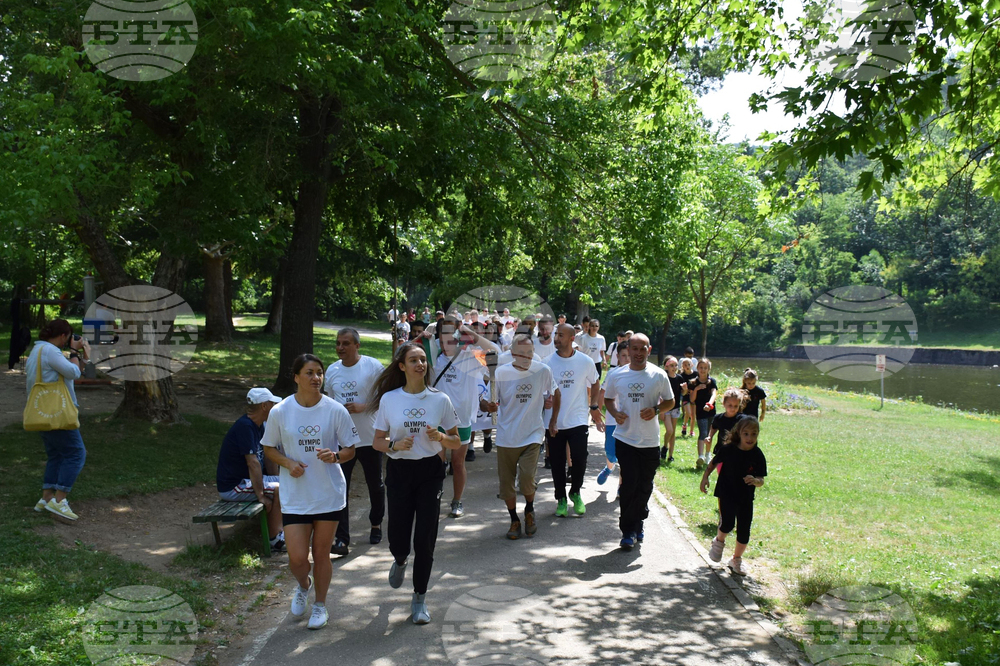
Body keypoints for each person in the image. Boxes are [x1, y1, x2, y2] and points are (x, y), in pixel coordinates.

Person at [263, 354, 359, 630]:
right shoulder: (280, 411)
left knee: (321, 554)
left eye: (319, 373)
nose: (316, 378)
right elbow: (269, 448)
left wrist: (336, 456)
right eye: (309, 373)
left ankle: (320, 605)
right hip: (296, 495)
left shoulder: (335, 409)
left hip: (328, 492)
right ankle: (304, 585)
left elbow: (351, 448)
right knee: (296, 558)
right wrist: (288, 463)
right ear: (296, 377)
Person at [370, 342, 462, 625]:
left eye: (423, 360)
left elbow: (457, 440)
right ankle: (399, 559)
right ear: (402, 366)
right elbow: (377, 442)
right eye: (414, 360)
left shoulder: (439, 399)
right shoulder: (389, 400)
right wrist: (394, 445)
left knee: (425, 538)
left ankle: (419, 598)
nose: (420, 364)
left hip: (429, 472)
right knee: (398, 536)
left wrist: (442, 438)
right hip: (399, 470)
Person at [479, 334, 558, 539]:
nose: (526, 357)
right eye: (521, 353)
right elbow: (485, 401)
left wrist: (551, 413)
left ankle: (529, 510)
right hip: (507, 436)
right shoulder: (502, 374)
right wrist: (488, 405)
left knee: (526, 480)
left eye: (530, 353)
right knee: (506, 485)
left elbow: (554, 392)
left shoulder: (542, 370)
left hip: (532, 434)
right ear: (512, 354)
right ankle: (514, 519)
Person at [603, 334, 674, 550]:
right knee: (629, 486)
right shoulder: (617, 374)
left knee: (645, 486)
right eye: (634, 348)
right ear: (629, 349)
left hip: (650, 441)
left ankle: (639, 520)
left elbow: (670, 402)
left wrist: (655, 410)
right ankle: (628, 531)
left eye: (642, 348)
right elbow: (608, 399)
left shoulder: (658, 375)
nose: (638, 353)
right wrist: (615, 412)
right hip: (626, 438)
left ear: (649, 349)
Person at [324, 329, 386, 556]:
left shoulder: (372, 366)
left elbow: (385, 397)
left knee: (375, 484)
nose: (340, 347)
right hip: (344, 440)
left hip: (370, 437)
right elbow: (328, 403)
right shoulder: (332, 371)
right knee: (341, 487)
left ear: (357, 346)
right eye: (338, 343)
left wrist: (364, 407)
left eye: (346, 343)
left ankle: (376, 523)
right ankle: (342, 538)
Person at [432, 316, 500, 517]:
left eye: (452, 333)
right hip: (436, 419)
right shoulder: (433, 354)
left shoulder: (471, 356)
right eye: (442, 333)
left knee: (458, 463)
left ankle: (457, 501)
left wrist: (472, 334)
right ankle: (434, 498)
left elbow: (495, 353)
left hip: (461, 419)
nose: (447, 339)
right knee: (436, 464)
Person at [26, 319, 90, 521]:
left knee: (56, 455)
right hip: (57, 413)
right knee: (76, 453)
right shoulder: (50, 351)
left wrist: (83, 357)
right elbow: (72, 371)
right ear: (63, 336)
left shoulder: (37, 350)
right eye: (69, 337)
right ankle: (59, 501)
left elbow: (72, 373)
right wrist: (74, 352)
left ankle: (46, 498)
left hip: (44, 412)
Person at [545, 323, 604, 517]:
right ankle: (561, 498)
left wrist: (593, 405)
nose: (556, 338)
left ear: (572, 339)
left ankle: (575, 492)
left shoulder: (585, 361)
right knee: (557, 461)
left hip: (578, 418)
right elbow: (541, 392)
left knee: (580, 458)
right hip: (553, 422)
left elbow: (595, 383)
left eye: (561, 335)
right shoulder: (546, 363)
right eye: (556, 335)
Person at [216, 388, 285, 553]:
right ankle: (275, 539)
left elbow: (268, 456)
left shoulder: (259, 425)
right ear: (264, 406)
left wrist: (276, 478)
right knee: (281, 490)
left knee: (288, 483)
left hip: (248, 481)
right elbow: (253, 463)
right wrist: (261, 495)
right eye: (272, 403)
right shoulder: (245, 427)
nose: (275, 406)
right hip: (234, 485)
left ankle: (282, 529)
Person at [700, 417, 766, 576]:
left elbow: (761, 480)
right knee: (727, 523)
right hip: (726, 493)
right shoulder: (728, 449)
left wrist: (755, 481)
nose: (750, 438)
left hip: (746, 498)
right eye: (746, 434)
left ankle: (736, 559)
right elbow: (713, 463)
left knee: (744, 531)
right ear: (739, 433)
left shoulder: (757, 454)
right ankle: (719, 541)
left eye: (754, 434)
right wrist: (705, 478)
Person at [596, 343, 630, 493]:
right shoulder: (612, 373)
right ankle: (609, 468)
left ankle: (621, 487)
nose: (627, 359)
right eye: (624, 355)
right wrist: (596, 411)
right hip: (612, 420)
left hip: (630, 422)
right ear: (617, 357)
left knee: (625, 457)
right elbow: (602, 393)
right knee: (611, 452)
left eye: (629, 355)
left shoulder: (638, 374)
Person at [687, 358, 718, 469]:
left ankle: (707, 455)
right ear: (697, 368)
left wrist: (709, 404)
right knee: (703, 433)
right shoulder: (693, 382)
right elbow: (692, 399)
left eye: (705, 368)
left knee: (709, 435)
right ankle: (700, 456)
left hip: (711, 412)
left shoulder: (712, 381)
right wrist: (696, 389)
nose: (703, 370)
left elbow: (714, 394)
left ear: (708, 369)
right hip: (700, 413)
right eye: (701, 367)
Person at [660, 355, 688, 463]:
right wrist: (661, 410)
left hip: (676, 408)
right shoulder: (664, 378)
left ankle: (670, 455)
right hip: (666, 407)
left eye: (676, 365)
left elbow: (683, 393)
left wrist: (685, 390)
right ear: (666, 367)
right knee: (669, 430)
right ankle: (665, 447)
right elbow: (659, 394)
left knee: (673, 432)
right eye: (671, 365)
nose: (674, 367)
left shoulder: (679, 378)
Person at [708, 387, 747, 458]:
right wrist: (709, 437)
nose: (733, 408)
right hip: (722, 449)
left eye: (736, 406)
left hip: (737, 450)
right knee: (721, 468)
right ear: (724, 403)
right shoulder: (718, 418)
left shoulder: (742, 419)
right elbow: (714, 428)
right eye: (730, 405)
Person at [678, 357, 698, 438]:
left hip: (695, 397)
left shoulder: (696, 374)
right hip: (686, 397)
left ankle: (691, 431)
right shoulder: (681, 376)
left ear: (692, 365)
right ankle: (684, 425)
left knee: (693, 415)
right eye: (685, 365)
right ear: (682, 366)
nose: (687, 366)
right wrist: (685, 390)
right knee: (688, 413)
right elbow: (682, 392)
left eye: (688, 364)